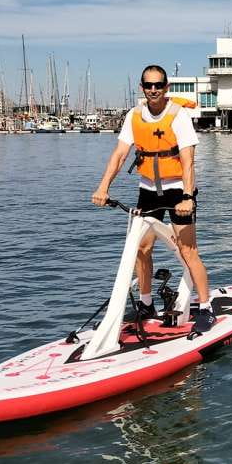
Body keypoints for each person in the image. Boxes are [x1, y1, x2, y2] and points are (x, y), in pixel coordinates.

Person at [91, 64, 214, 332]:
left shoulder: (178, 116)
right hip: (147, 191)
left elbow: (188, 161)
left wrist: (187, 197)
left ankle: (206, 307)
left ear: (166, 87)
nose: (154, 89)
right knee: (141, 248)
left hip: (177, 191)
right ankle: (146, 304)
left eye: (159, 85)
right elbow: (120, 155)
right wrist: (103, 187)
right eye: (149, 85)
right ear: (142, 88)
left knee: (187, 251)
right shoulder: (134, 116)